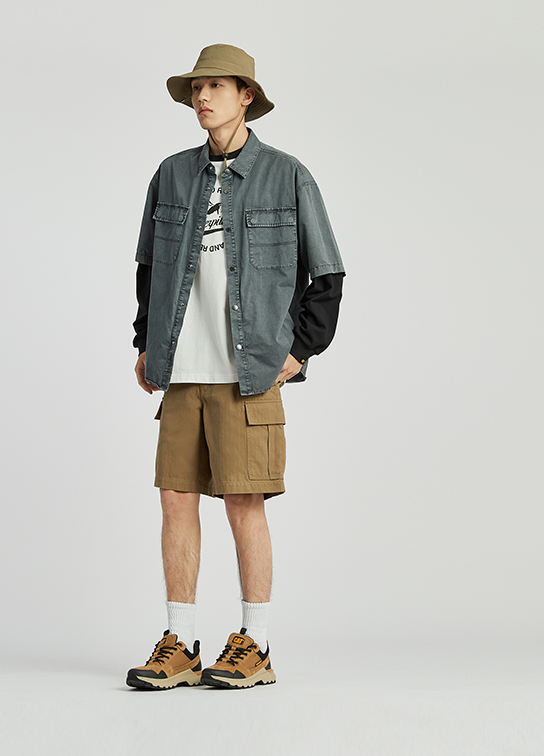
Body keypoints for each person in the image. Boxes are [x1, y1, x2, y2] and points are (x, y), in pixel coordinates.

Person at [127, 44, 345, 690]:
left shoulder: (288, 175)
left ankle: (256, 643)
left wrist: (298, 353)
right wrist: (146, 340)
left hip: (249, 374)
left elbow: (327, 274)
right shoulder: (172, 175)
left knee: (245, 504)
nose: (202, 97)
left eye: (216, 86)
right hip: (182, 368)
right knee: (175, 501)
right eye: (196, 88)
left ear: (246, 95)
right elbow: (149, 266)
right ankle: (180, 642)